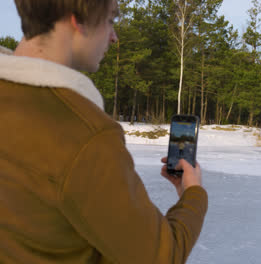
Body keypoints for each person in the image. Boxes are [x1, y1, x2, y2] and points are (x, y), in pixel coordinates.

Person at [0, 0, 207, 263]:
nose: (114, 37)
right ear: (78, 19)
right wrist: (193, 194)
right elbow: (161, 256)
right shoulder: (86, 135)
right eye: (110, 20)